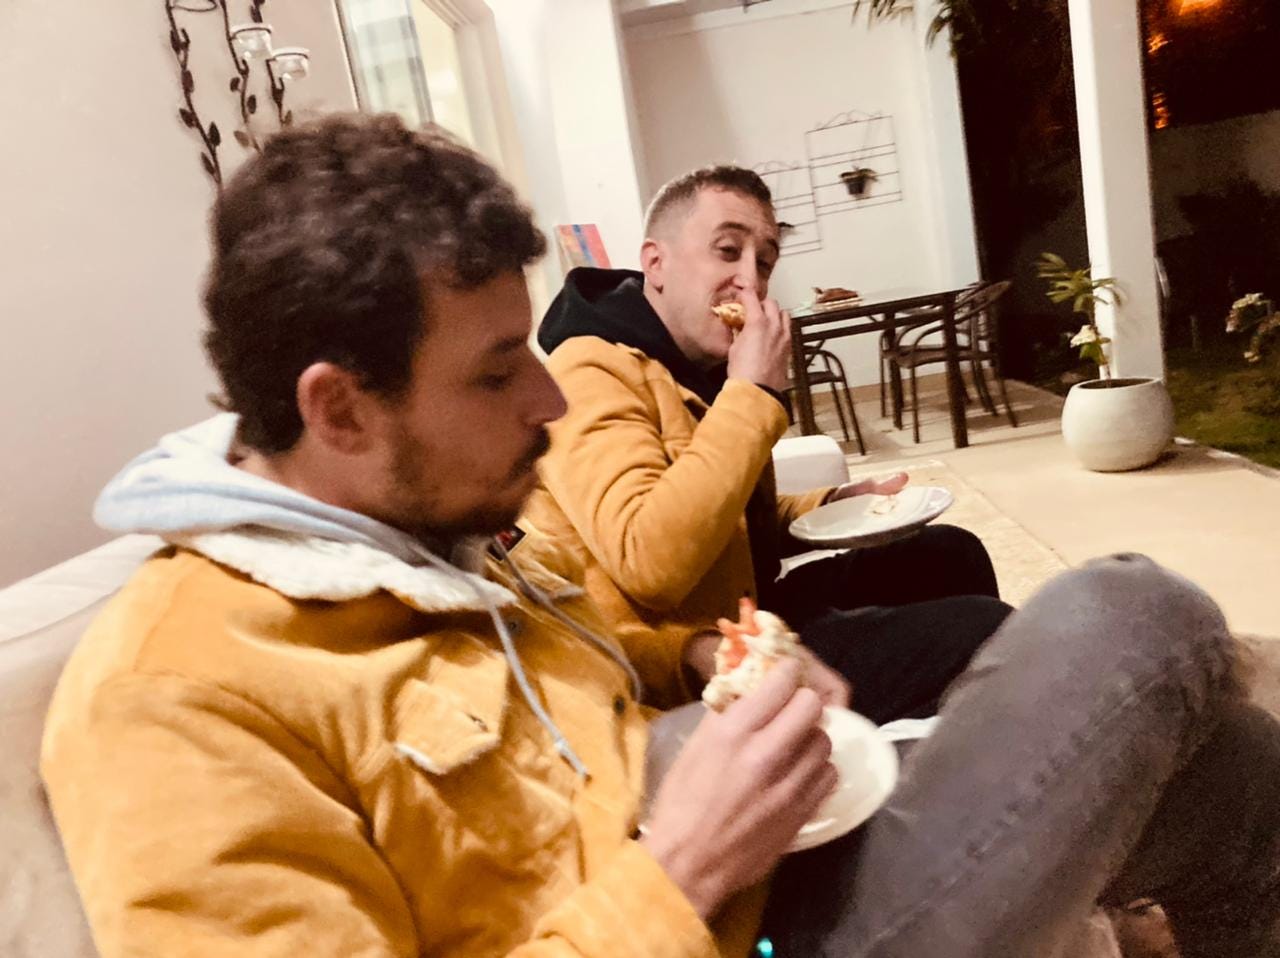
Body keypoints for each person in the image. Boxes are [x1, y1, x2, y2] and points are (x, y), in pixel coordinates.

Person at [42, 114, 1280, 958]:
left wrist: (689, 664)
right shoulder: (171, 697)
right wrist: (680, 870)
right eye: (497, 371)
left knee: (1223, 761)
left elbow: (578, 654)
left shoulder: (419, 537)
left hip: (761, 865)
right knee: (1132, 618)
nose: (548, 399)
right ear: (340, 409)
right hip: (720, 914)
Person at [524, 165, 1004, 713]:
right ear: (656, 263)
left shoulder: (693, 365)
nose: (750, 281)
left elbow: (724, 519)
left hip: (750, 604)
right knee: (984, 631)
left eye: (765, 263)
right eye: (728, 251)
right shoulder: (589, 369)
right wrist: (752, 393)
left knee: (950, 553)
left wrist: (831, 504)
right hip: (694, 657)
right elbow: (649, 562)